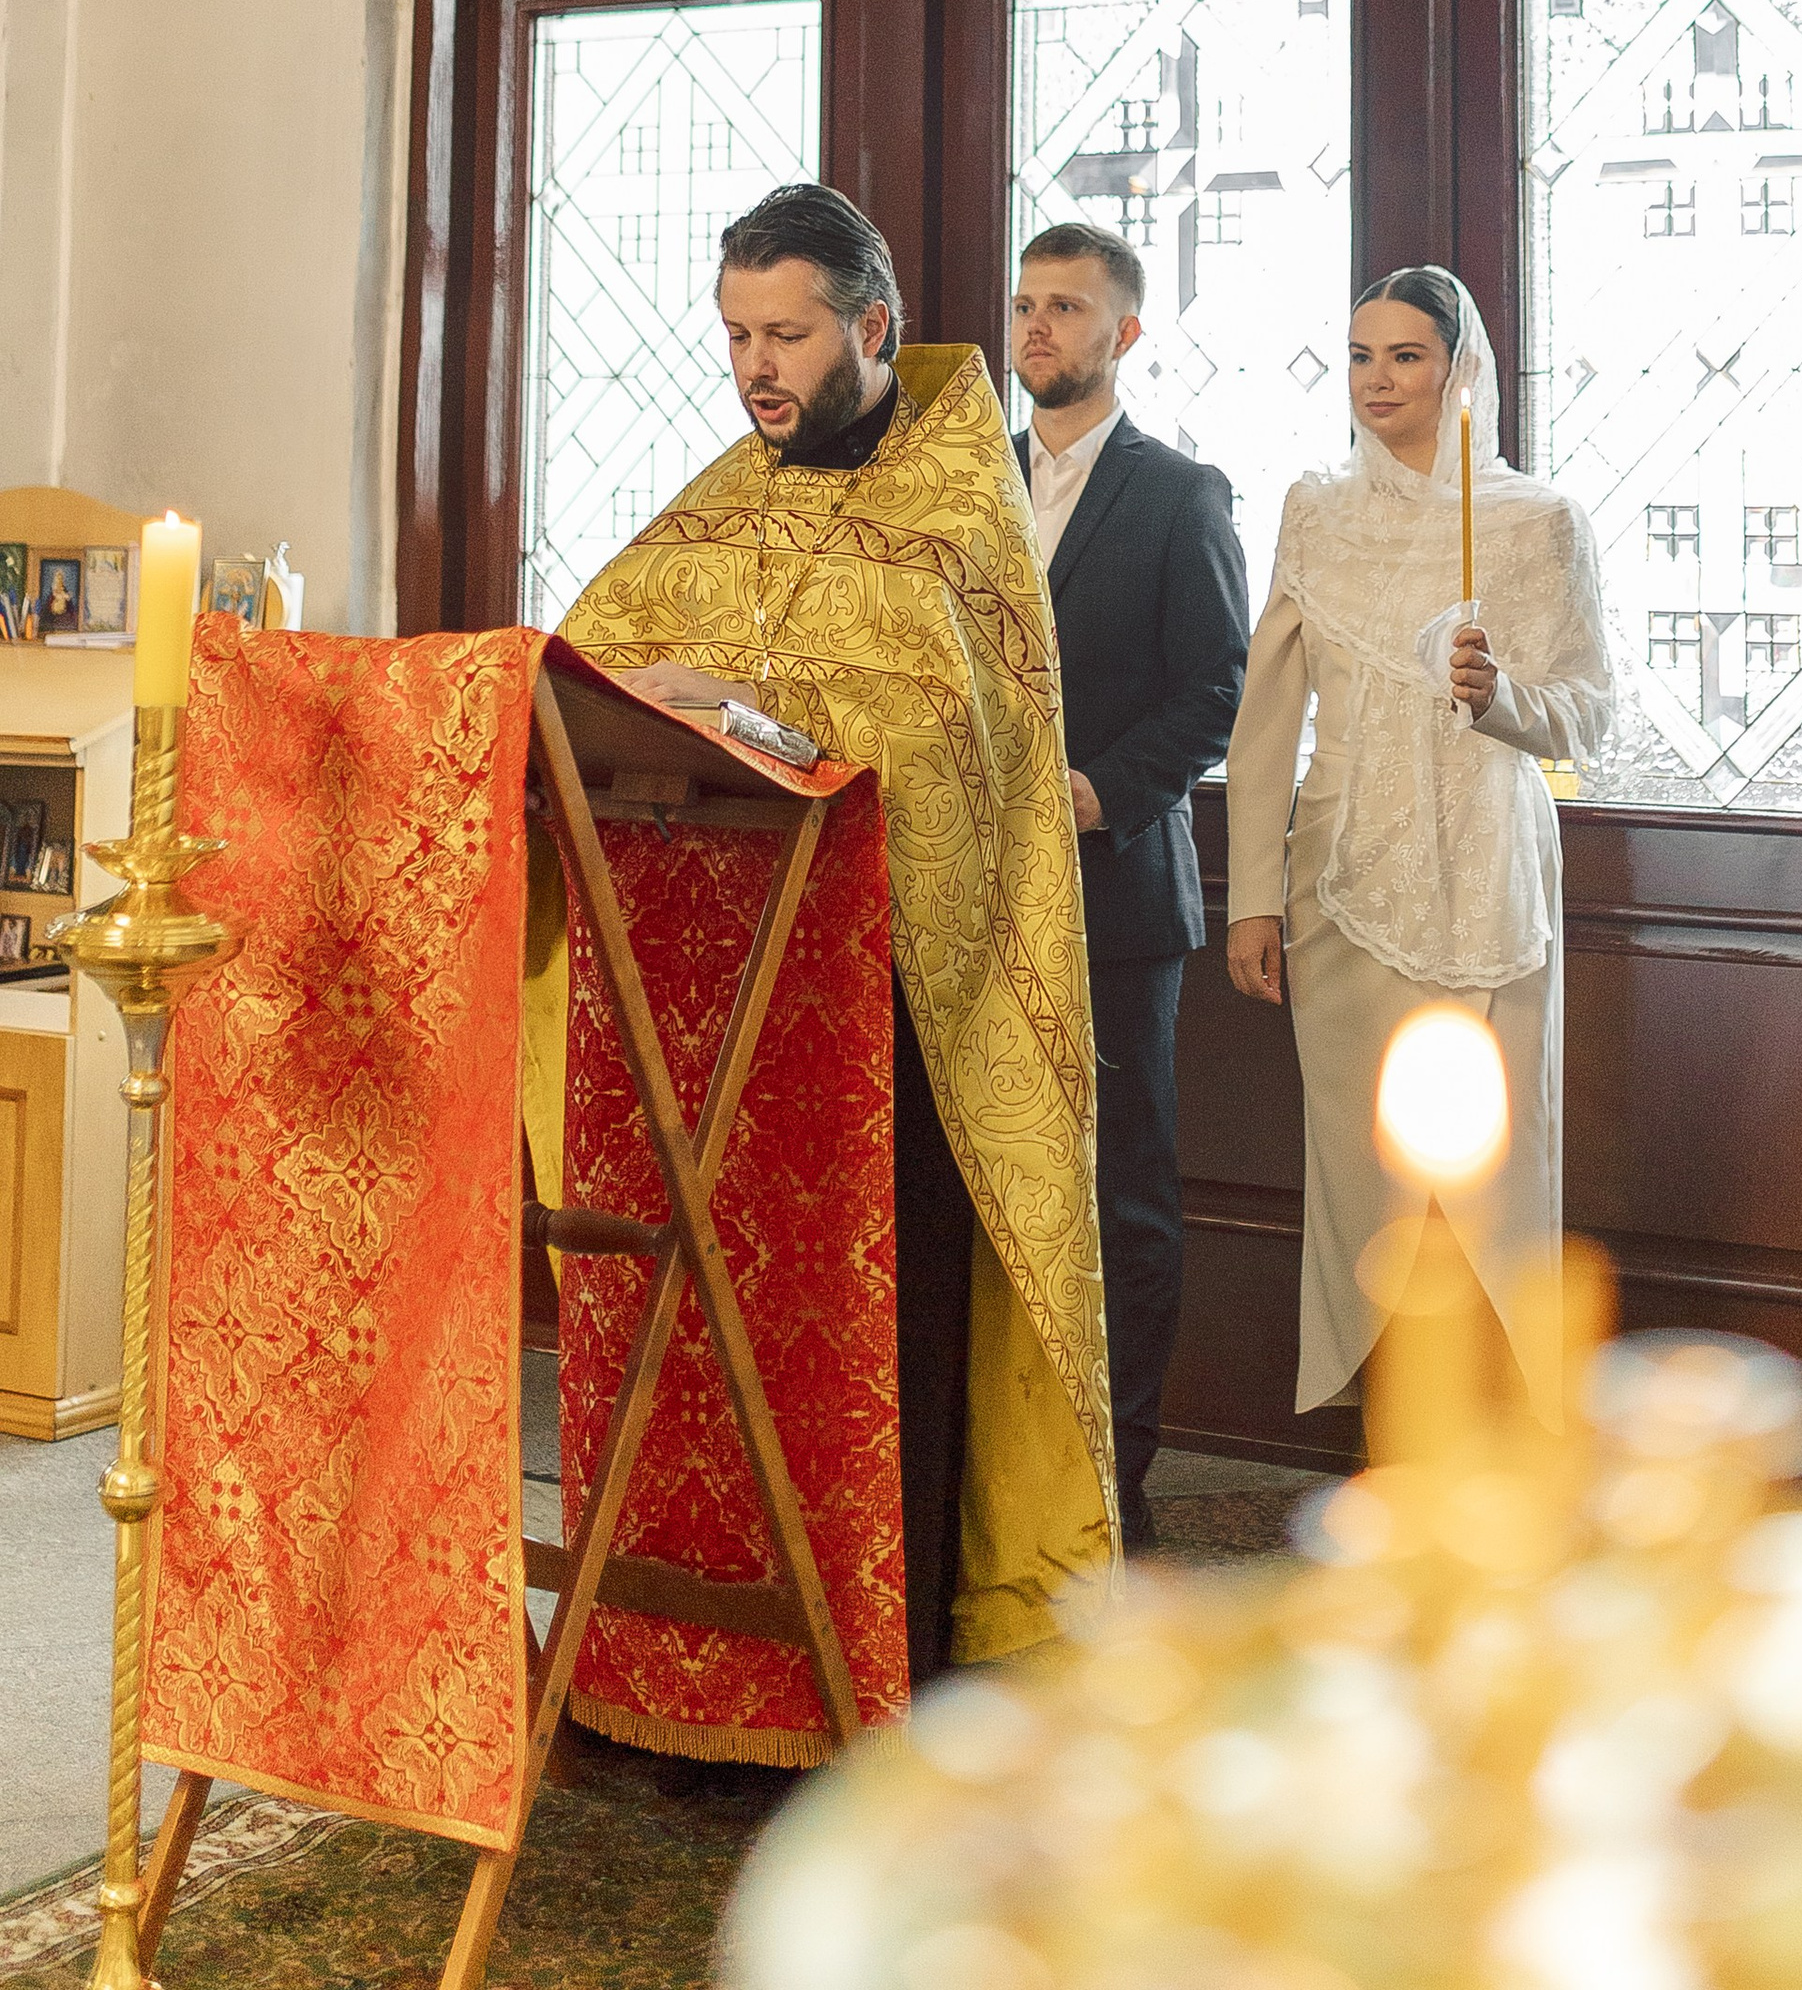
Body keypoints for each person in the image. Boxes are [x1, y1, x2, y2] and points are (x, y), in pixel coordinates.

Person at [531, 180, 1115, 1689]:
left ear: (871, 324)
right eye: (734, 336)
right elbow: (580, 668)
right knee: (700, 1358)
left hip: (887, 1014)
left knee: (867, 1352)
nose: (755, 367)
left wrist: (803, 732)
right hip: (710, 1006)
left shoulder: (958, 521)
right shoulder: (718, 504)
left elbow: (956, 743)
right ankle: (667, 1665)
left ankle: (867, 1672)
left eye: (785, 333)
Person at [1222, 265, 1610, 1416]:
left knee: (1495, 1184)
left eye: (1404, 355)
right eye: (1359, 355)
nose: (1377, 379)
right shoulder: (1313, 509)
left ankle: (1510, 1444)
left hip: (1490, 881)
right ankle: (1383, 1458)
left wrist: (1498, 700)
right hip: (1341, 888)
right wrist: (1251, 896)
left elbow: (1587, 709)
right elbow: (1264, 725)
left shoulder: (1538, 522)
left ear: (1460, 369)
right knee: (1362, 1187)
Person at [1007, 222, 1250, 1548]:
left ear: (1125, 334)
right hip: (972, 899)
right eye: (1027, 304)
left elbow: (1215, 689)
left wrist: (1097, 791)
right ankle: (999, 1470)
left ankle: (1117, 1484)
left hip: (1114, 900)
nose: (1038, 328)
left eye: (1067, 307)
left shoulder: (1180, 494)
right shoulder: (967, 487)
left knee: (1120, 1199)